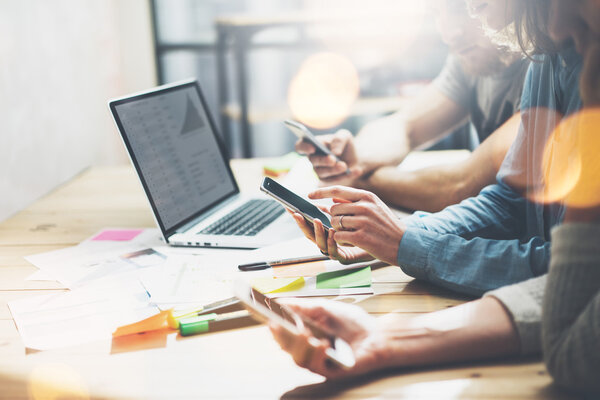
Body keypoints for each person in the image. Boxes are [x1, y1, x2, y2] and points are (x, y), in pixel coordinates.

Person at [271, 0, 600, 393]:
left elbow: (465, 186)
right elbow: (510, 201)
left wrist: (405, 236)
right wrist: (393, 234)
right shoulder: (550, 53)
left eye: (470, 6)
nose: (449, 30)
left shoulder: (568, 48)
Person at [296, 0, 529, 212]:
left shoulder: (541, 69)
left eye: (465, 8)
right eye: (436, 12)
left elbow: (461, 185)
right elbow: (404, 124)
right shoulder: (470, 59)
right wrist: (353, 159)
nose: (449, 33)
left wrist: (359, 182)